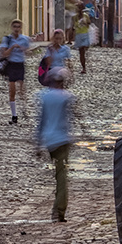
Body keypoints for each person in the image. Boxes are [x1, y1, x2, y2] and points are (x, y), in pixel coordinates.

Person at [38, 66, 78, 222]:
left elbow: (41, 121)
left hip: (49, 141)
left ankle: (58, 207)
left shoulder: (45, 97)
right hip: (62, 140)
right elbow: (71, 120)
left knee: (58, 174)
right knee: (62, 177)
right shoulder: (67, 97)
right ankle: (58, 210)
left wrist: (37, 144)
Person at [0, 18, 35, 125]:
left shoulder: (25, 39)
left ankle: (24, 108)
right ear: (11, 28)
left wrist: (23, 49)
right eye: (15, 27)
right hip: (11, 65)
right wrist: (13, 47)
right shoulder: (7, 39)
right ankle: (14, 115)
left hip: (20, 65)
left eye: (18, 27)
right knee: (12, 90)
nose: (16, 29)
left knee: (22, 90)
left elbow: (29, 53)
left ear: (21, 28)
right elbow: (4, 54)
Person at [71, 4, 94, 74]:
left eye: (80, 9)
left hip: (85, 34)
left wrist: (85, 22)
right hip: (78, 35)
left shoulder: (85, 16)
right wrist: (72, 36)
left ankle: (85, 66)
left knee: (83, 50)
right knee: (81, 52)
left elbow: (89, 23)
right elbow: (73, 27)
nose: (79, 10)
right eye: (78, 9)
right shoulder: (74, 17)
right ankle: (84, 67)